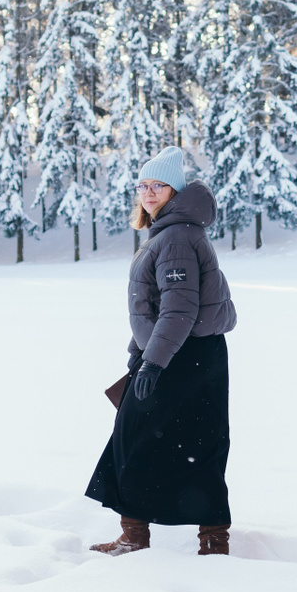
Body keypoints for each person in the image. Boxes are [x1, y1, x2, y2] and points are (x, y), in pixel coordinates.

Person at [86, 146, 237, 556]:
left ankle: (149, 537)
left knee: (139, 437)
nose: (149, 192)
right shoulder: (171, 233)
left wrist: (152, 362)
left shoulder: (176, 237)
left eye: (158, 185)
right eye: (143, 185)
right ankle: (202, 538)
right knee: (192, 441)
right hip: (182, 351)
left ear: (175, 191)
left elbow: (179, 309)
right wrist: (139, 351)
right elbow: (153, 308)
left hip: (184, 355)